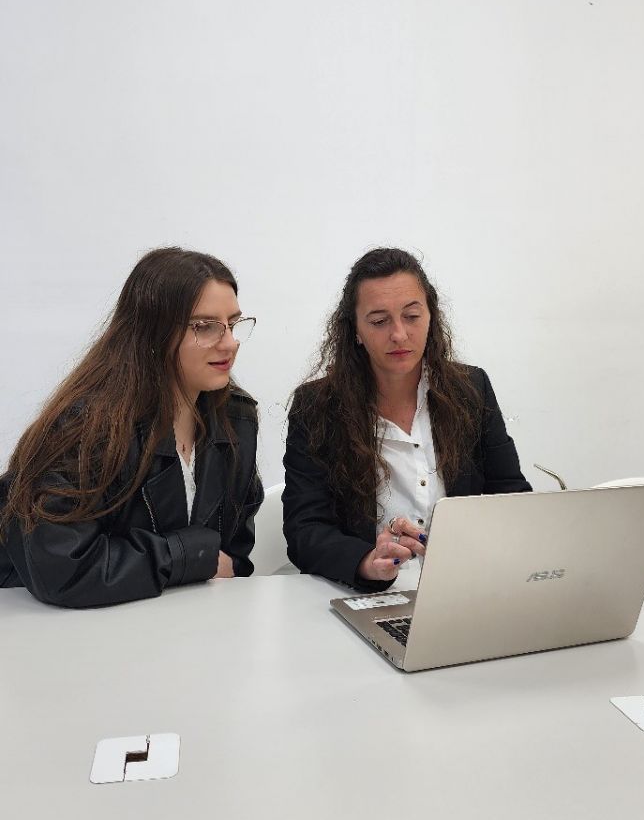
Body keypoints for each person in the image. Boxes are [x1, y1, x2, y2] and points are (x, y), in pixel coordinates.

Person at [0, 247, 263, 608]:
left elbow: (233, 560)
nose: (230, 342)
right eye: (205, 327)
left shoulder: (237, 420)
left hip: (182, 624)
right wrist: (191, 556)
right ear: (153, 333)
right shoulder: (85, 427)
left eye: (232, 324)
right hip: (57, 628)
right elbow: (63, 567)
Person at [283, 247, 531, 591]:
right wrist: (366, 561)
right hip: (367, 595)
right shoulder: (317, 406)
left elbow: (511, 496)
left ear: (431, 317)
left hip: (466, 586)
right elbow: (305, 530)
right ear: (355, 330)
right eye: (379, 321)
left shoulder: (471, 389)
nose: (399, 334)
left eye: (412, 316)